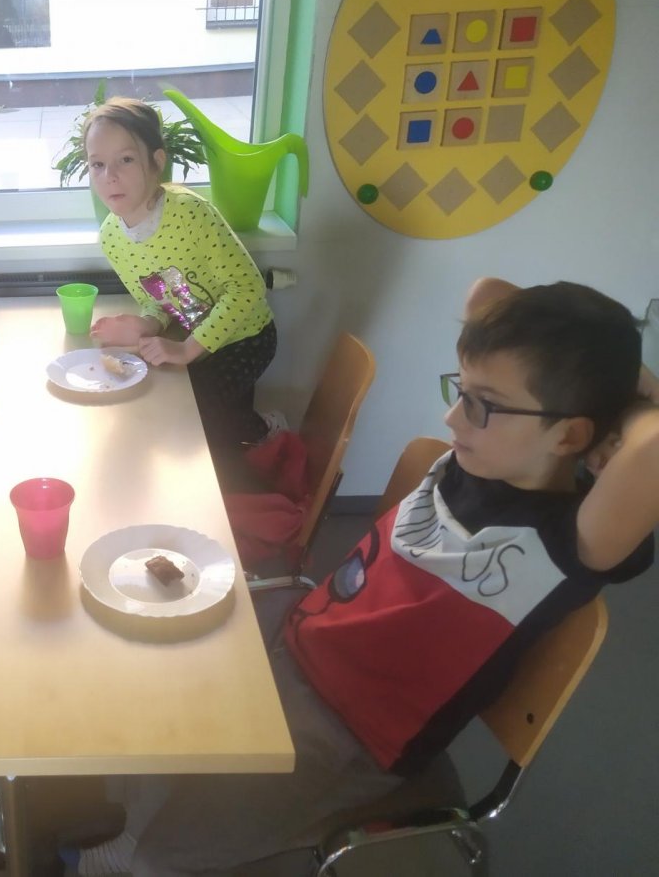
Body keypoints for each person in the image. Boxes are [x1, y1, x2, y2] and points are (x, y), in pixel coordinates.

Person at [68, 277, 658, 876]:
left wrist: (626, 408)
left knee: (161, 857)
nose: (452, 415)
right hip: (298, 642)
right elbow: (487, 293)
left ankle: (126, 852)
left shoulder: (566, 541)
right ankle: (131, 820)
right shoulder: (479, 459)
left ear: (571, 434)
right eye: (461, 390)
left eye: (482, 403)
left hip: (353, 732)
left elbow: (654, 446)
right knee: (137, 690)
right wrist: (608, 383)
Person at [82, 97, 281, 473]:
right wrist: (146, 324)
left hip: (246, 337)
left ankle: (268, 440)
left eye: (126, 159)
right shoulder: (111, 238)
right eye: (97, 164)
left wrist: (187, 349)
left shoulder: (190, 213)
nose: (110, 175)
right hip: (194, 337)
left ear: (156, 161)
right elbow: (156, 298)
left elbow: (248, 289)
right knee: (195, 414)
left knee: (195, 421)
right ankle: (250, 440)